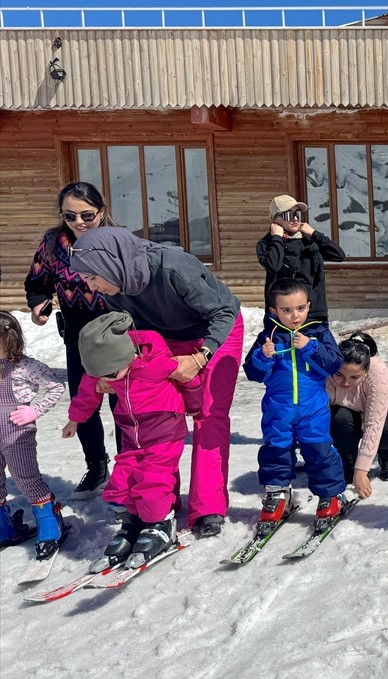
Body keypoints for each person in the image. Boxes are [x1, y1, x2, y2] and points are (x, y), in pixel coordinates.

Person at [69, 226, 243, 537]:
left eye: (93, 278)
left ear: (110, 262)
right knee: (159, 417)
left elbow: (224, 311)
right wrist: (110, 372)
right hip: (163, 339)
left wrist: (200, 358)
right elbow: (125, 334)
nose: (92, 287)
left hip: (214, 332)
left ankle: (208, 507)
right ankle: (158, 502)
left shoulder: (173, 267)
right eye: (86, 281)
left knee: (207, 413)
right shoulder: (115, 286)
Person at [63, 311, 201, 564]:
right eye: (102, 375)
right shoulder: (107, 366)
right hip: (131, 434)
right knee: (122, 480)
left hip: (164, 431)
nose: (107, 380)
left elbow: (189, 378)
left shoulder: (156, 363)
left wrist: (195, 406)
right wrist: (75, 419)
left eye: (112, 374)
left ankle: (161, 523)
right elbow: (87, 392)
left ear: (126, 356)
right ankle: (134, 522)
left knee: (152, 480)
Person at [23, 181, 119, 499]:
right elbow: (38, 281)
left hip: (119, 332)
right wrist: (39, 303)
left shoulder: (118, 241)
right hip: (78, 334)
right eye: (70, 216)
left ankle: (130, 467)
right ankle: (97, 468)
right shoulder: (53, 243)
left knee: (124, 403)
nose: (79, 222)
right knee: (84, 402)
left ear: (102, 212)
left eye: (87, 215)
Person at [243, 280, 347, 531]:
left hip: (313, 408)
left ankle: (330, 495)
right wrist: (262, 357)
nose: (295, 315)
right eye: (287, 310)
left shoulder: (318, 333)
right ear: (274, 311)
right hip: (278, 408)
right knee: (275, 451)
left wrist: (310, 347)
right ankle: (277, 494)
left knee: (319, 450)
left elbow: (334, 364)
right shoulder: (268, 337)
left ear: (308, 307)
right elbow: (253, 373)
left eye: (300, 308)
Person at [0, 311, 66, 556]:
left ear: (10, 340)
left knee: (25, 477)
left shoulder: (25, 366)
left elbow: (56, 385)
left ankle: (49, 520)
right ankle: (3, 526)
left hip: (17, 433)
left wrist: (35, 410)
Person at [328, 332, 388, 498]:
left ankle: (386, 455)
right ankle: (347, 461)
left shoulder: (376, 370)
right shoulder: (328, 369)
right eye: (340, 375)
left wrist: (362, 471)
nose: (345, 382)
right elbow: (317, 415)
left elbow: (374, 423)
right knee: (338, 421)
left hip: (386, 406)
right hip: (348, 411)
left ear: (366, 371)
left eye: (354, 377)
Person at [257, 194, 345, 324]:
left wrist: (315, 234)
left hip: (314, 313)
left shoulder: (309, 240)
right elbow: (273, 266)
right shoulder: (266, 244)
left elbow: (339, 255)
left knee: (321, 345)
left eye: (297, 214)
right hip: (283, 316)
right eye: (288, 215)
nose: (295, 219)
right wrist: (277, 238)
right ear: (276, 220)